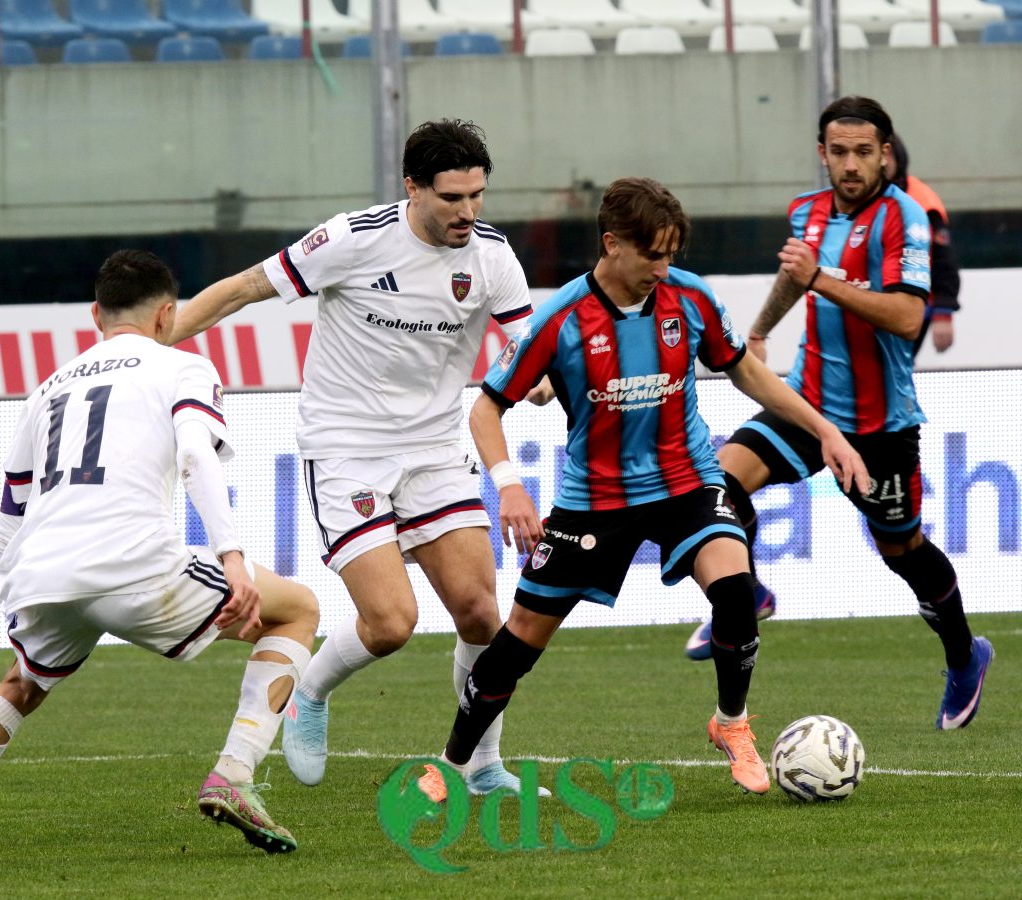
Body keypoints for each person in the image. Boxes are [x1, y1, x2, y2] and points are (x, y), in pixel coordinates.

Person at [424, 177, 869, 797]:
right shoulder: (560, 319)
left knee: (737, 593)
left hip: (688, 480)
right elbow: (485, 410)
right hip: (594, 501)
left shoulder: (690, 299)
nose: (663, 267)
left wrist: (825, 431)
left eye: (671, 254)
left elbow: (745, 372)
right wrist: (510, 487)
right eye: (652, 254)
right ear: (612, 244)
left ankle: (731, 724)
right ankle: (452, 763)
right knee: (520, 641)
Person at [0, 250, 319, 865]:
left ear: (95, 314)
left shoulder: (45, 392)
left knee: (20, 683)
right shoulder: (182, 367)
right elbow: (196, 456)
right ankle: (234, 772)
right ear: (168, 314)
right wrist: (232, 558)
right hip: (133, 564)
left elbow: (6, 523)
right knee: (298, 609)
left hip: (42, 570)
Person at [167, 120, 543, 796]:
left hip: (433, 449)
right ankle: (310, 690)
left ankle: (482, 763)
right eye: (452, 197)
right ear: (412, 187)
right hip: (346, 450)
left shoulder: (492, 256)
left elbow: (529, 345)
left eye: (478, 196)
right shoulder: (354, 239)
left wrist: (538, 377)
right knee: (392, 623)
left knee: (482, 614)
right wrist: (154, 342)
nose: (468, 212)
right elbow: (248, 287)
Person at [684, 97, 993, 730]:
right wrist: (762, 329)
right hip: (808, 400)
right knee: (714, 484)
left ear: (885, 152)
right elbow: (796, 276)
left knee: (902, 549)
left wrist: (821, 278)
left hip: (880, 425)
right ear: (821, 153)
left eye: (863, 152)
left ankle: (965, 654)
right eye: (839, 152)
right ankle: (752, 589)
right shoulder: (808, 209)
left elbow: (909, 316)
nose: (851, 165)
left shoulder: (903, 218)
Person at [885, 133, 961, 356]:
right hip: (867, 302)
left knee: (895, 370)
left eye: (888, 155)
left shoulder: (922, 202)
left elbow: (943, 261)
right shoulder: (861, 200)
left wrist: (943, 313)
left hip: (913, 305)